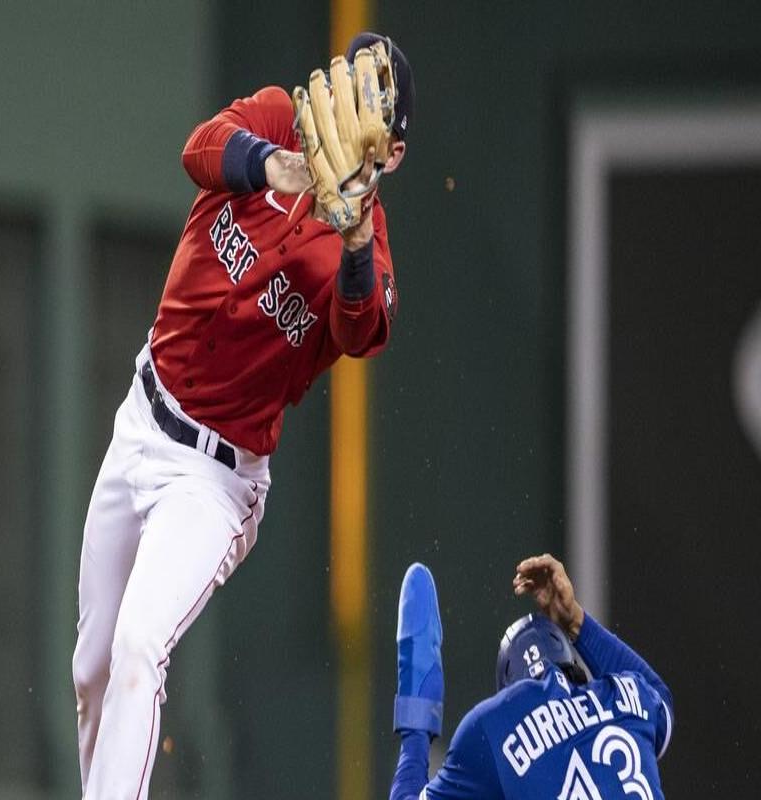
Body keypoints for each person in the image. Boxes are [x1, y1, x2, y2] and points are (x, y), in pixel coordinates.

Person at [71, 32, 415, 799]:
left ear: (389, 154)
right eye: (347, 88)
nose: (343, 110)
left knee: (137, 647)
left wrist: (354, 231)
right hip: (142, 416)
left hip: (213, 477)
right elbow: (199, 149)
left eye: (369, 108)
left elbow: (365, 327)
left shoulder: (365, 249)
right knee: (91, 668)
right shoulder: (273, 121)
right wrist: (275, 164)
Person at [390, 554, 673, 799]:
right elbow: (660, 699)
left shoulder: (494, 725)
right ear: (572, 666)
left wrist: (416, 726)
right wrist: (575, 620)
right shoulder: (627, 697)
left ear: (507, 689)